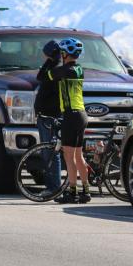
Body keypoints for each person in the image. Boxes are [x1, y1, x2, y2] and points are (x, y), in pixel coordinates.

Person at [44, 37, 90, 203]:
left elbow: (44, 76)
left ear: (64, 53)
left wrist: (51, 58)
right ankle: (85, 191)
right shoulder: (79, 69)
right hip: (82, 114)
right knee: (79, 156)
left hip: (70, 115)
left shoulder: (64, 70)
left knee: (68, 157)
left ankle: (72, 192)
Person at [35, 40, 62, 196]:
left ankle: (54, 187)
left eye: (46, 53)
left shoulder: (56, 69)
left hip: (50, 116)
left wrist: (50, 61)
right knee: (47, 153)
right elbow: (40, 76)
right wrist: (49, 60)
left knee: (52, 152)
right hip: (44, 115)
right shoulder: (52, 65)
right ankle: (51, 186)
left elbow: (42, 77)